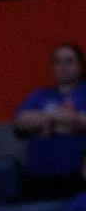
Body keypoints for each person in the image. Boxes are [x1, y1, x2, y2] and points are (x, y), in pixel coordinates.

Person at [16, 42, 86, 202]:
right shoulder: (39, 95)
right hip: (37, 178)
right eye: (57, 61)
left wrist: (42, 121)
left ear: (80, 65)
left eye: (69, 61)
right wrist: (59, 118)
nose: (63, 66)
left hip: (77, 178)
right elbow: (20, 121)